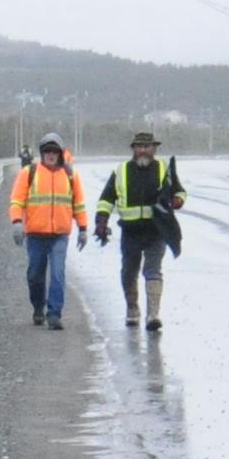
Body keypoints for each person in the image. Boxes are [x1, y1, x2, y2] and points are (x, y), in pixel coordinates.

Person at [96, 129, 190, 335]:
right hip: (130, 232)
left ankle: (153, 315)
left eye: (147, 147)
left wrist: (177, 200)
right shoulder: (121, 171)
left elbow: (180, 191)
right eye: (139, 147)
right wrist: (101, 221)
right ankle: (132, 309)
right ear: (133, 149)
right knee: (129, 272)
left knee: (152, 270)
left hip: (157, 231)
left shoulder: (164, 169)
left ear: (154, 149)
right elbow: (106, 198)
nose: (143, 151)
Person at [9, 137, 87, 327]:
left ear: (60, 154)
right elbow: (17, 200)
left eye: (54, 152)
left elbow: (79, 204)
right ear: (42, 153)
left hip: (60, 236)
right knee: (35, 275)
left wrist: (83, 228)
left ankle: (54, 314)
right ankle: (38, 307)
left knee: (58, 274)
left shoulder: (70, 175)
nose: (50, 155)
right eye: (47, 152)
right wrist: (17, 222)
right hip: (36, 235)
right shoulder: (29, 173)